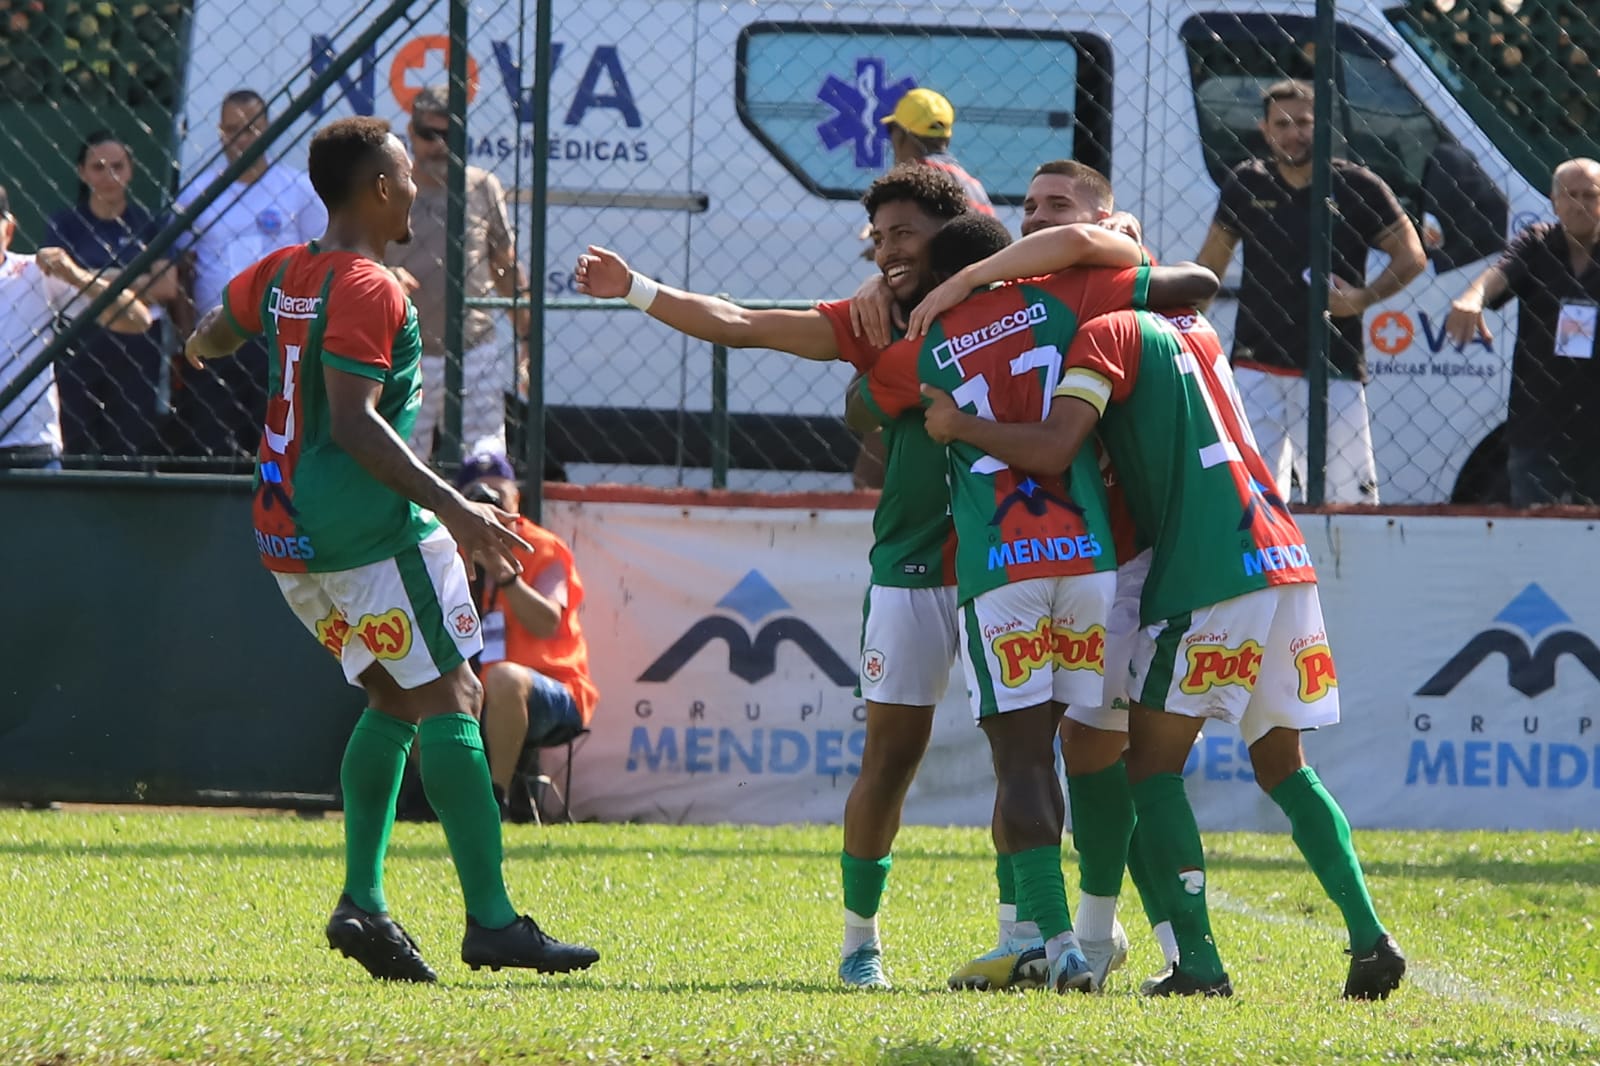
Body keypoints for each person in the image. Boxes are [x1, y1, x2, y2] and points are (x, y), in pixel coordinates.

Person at [183, 115, 597, 983]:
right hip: (365, 531)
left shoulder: (285, 269)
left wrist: (198, 345)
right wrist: (462, 512)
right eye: (406, 176)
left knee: (392, 701)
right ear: (378, 189)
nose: (416, 187)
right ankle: (491, 922)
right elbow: (355, 423)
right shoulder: (374, 287)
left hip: (288, 537)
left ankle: (363, 901)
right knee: (453, 694)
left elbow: (218, 330)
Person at [918, 286, 1405, 1000]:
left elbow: (1057, 445)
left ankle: (1195, 964)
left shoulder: (1104, 335)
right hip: (1280, 552)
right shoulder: (1193, 328)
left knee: (1146, 767)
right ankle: (1369, 937)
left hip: (1205, 568)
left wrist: (957, 422)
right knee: (1282, 762)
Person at [855, 216, 1218, 994]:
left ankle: (1057, 946)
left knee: (1019, 759)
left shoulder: (916, 348)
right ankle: (1086, 928)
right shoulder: (1069, 297)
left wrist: (902, 324)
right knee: (1081, 750)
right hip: (1089, 561)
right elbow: (1195, 284)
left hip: (1004, 567)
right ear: (1008, 264)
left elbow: (862, 407)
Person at [1195, 79, 1425, 505]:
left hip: (1331, 367)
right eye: (1281, 124)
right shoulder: (1246, 183)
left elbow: (1411, 255)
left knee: (1347, 504)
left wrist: (1362, 297)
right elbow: (1210, 265)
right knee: (1249, 502)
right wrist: (1185, 327)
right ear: (1265, 130)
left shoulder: (1359, 186)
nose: (1293, 133)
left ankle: (1344, 575)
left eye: (1303, 122)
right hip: (1254, 367)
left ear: (1323, 126)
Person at [172, 89, 328, 463]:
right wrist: (186, 334)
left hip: (281, 337)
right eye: (232, 129)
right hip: (216, 334)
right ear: (220, 132)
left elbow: (321, 262)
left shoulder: (297, 190)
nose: (242, 138)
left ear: (268, 129)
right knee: (212, 446)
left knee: (281, 446)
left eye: (251, 129)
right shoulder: (197, 193)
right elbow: (182, 272)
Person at [851, 88, 997, 488]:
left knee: (876, 405)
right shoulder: (970, 182)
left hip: (929, 322)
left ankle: (870, 501)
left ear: (902, 136)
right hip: (982, 326)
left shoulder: (916, 182)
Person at [1445, 158, 1600, 505]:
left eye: (1590, 195)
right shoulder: (1537, 242)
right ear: (1554, 201)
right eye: (1570, 195)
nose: (1579, 204)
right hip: (1538, 423)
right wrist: (1473, 297)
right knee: (1533, 531)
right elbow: (1500, 274)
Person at [388, 86, 530, 460]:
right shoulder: (390, 188)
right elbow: (356, 259)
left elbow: (505, 266)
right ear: (410, 131)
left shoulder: (481, 186)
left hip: (473, 347)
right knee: (400, 464)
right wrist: (386, 275)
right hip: (404, 350)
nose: (437, 145)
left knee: (485, 460)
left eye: (448, 135)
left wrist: (527, 335)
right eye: (427, 134)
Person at [453, 451, 597, 816]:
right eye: (478, 500)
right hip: (474, 690)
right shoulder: (448, 553)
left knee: (504, 678)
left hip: (553, 692)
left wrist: (504, 573)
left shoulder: (542, 548)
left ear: (516, 501)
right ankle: (446, 804)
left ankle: (493, 803)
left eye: (499, 497)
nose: (490, 507)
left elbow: (547, 622)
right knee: (421, 682)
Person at [44, 131, 181, 459]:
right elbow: (57, 284)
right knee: (74, 441)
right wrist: (135, 278)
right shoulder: (64, 225)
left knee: (130, 442)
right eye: (99, 167)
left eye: (118, 166)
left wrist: (85, 276)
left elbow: (166, 287)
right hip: (78, 338)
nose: (110, 176)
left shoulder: (150, 224)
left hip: (139, 341)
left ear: (131, 170)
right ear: (82, 172)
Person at [1, 183, 155, 468]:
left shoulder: (35, 274)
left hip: (32, 448)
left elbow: (137, 319)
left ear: (8, 231)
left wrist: (75, 275)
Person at [882, 88, 995, 217]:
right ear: (947, 139)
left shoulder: (909, 183)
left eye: (890, 129)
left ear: (901, 134)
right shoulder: (973, 185)